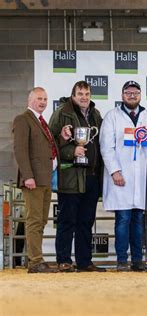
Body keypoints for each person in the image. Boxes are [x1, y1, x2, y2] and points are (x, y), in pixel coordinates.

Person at [100, 81, 147, 272]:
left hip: (141, 179)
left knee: (138, 220)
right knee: (123, 219)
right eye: (128, 92)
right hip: (121, 177)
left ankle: (137, 261)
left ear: (140, 95)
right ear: (122, 95)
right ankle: (122, 260)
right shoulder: (112, 116)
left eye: (135, 92)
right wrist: (115, 171)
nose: (132, 95)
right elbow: (106, 147)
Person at [49, 81, 105, 272]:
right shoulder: (62, 113)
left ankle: (84, 261)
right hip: (71, 176)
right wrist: (71, 151)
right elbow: (50, 143)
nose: (84, 97)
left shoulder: (96, 114)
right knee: (67, 220)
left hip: (91, 176)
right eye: (80, 94)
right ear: (73, 95)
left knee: (86, 222)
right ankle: (63, 260)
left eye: (87, 94)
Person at [12, 87, 70, 273]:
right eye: (39, 98)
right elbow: (20, 151)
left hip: (45, 179)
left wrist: (61, 138)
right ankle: (35, 261)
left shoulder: (41, 121)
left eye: (45, 98)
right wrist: (28, 176)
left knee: (41, 220)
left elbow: (47, 149)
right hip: (34, 179)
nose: (43, 102)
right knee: (34, 220)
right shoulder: (23, 119)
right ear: (30, 100)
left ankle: (37, 259)